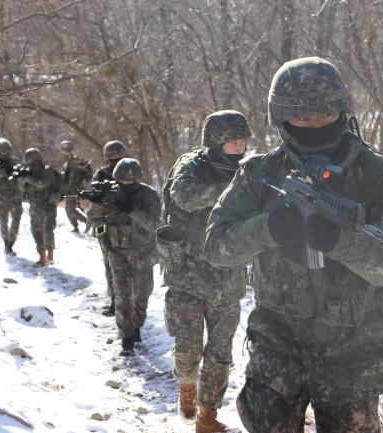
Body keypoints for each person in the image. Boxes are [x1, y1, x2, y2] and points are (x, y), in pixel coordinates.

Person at [203, 57, 383, 433]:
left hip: (354, 350)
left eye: (326, 117)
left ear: (343, 111)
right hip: (278, 341)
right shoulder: (259, 175)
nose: (315, 126)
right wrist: (267, 229)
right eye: (302, 120)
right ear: (282, 120)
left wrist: (341, 242)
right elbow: (216, 247)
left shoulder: (381, 179)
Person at [157, 110, 250, 433]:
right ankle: (186, 386)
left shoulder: (246, 172)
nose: (240, 148)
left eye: (243, 142)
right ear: (215, 142)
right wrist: (231, 189)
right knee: (189, 348)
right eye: (233, 142)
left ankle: (208, 415)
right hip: (188, 275)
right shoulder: (191, 167)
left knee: (220, 353)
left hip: (228, 277)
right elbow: (185, 197)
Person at [87, 158, 160, 357]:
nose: (126, 185)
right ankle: (126, 337)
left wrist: (131, 210)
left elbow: (154, 224)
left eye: (131, 182)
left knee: (142, 296)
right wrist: (102, 205)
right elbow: (93, 220)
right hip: (117, 251)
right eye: (122, 182)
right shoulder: (109, 192)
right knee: (122, 296)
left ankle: (136, 326)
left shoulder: (148, 195)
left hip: (143, 253)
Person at [91, 140, 127, 316]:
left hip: (108, 225)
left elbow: (95, 200)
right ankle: (127, 302)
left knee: (111, 264)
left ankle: (116, 302)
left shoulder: (102, 173)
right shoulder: (132, 168)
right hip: (130, 226)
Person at [17, 148, 63, 267]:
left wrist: (28, 179)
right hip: (35, 206)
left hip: (48, 205)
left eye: (29, 158)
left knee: (48, 229)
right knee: (36, 231)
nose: (28, 161)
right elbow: (22, 189)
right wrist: (22, 179)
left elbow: (43, 184)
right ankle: (42, 257)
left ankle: (50, 255)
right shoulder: (27, 171)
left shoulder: (47, 170)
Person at [0, 137, 22, 255]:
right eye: (4, 150)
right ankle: (6, 242)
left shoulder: (16, 162)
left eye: (8, 150)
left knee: (16, 220)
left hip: (15, 196)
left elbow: (23, 177)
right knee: (3, 221)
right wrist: (3, 172)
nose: (7, 152)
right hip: (1, 197)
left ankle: (11, 243)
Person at [59, 140, 93, 233]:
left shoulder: (75, 161)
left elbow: (87, 176)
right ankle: (75, 226)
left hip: (74, 189)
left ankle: (87, 222)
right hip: (70, 189)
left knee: (70, 209)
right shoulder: (69, 161)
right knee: (69, 209)